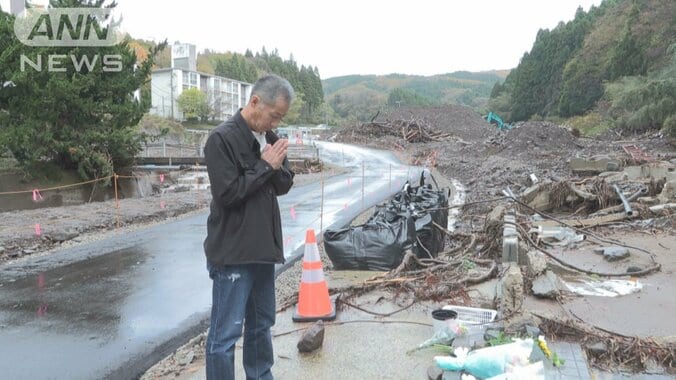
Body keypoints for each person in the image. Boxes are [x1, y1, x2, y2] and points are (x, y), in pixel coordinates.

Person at [203, 74, 295, 380]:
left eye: (280, 118)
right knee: (225, 335)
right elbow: (227, 194)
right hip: (232, 253)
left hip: (262, 251)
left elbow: (282, 185)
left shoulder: (268, 138)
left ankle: (261, 375)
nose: (275, 123)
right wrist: (265, 166)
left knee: (261, 324)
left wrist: (278, 163)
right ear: (255, 102)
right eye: (274, 115)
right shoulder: (222, 139)